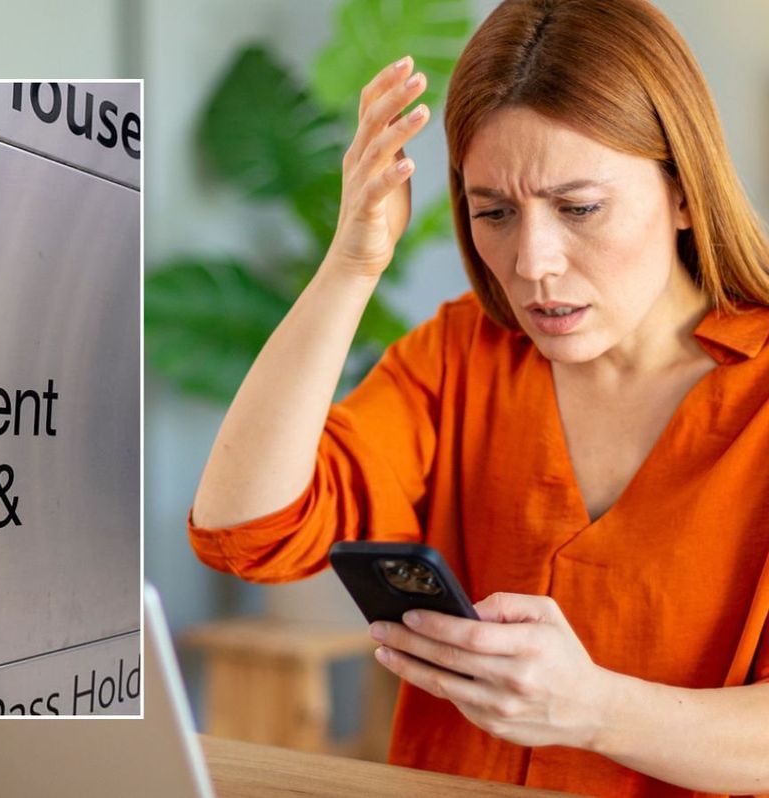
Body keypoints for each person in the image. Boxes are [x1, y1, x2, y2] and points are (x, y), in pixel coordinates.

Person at [187, 0, 769, 795]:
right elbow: (243, 528)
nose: (532, 262)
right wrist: (352, 266)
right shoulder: (464, 356)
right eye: (492, 212)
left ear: (683, 193)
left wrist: (593, 709)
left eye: (579, 209)